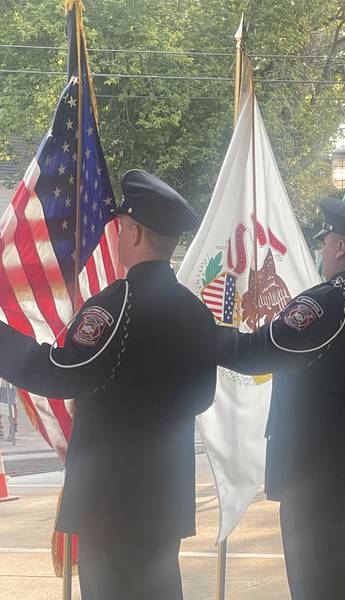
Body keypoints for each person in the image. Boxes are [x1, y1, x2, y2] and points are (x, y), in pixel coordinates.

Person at [0, 170, 218, 600]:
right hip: (163, 499)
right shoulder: (196, 312)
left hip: (111, 504)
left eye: (120, 228)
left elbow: (60, 374)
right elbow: (201, 396)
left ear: (133, 233)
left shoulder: (116, 306)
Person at [217, 198, 345, 600]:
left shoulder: (326, 302)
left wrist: (204, 336)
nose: (322, 251)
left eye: (326, 242)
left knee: (313, 584)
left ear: (341, 248)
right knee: (342, 581)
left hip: (314, 469)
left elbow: (259, 352)